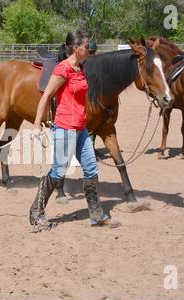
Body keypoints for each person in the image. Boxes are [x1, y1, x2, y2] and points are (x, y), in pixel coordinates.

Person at [29, 30, 121, 230]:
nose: (89, 49)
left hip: (81, 130)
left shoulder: (81, 68)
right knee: (58, 171)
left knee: (91, 169)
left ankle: (96, 215)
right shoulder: (64, 69)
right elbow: (46, 97)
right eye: (86, 46)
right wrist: (36, 125)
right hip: (65, 129)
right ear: (75, 48)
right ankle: (36, 211)